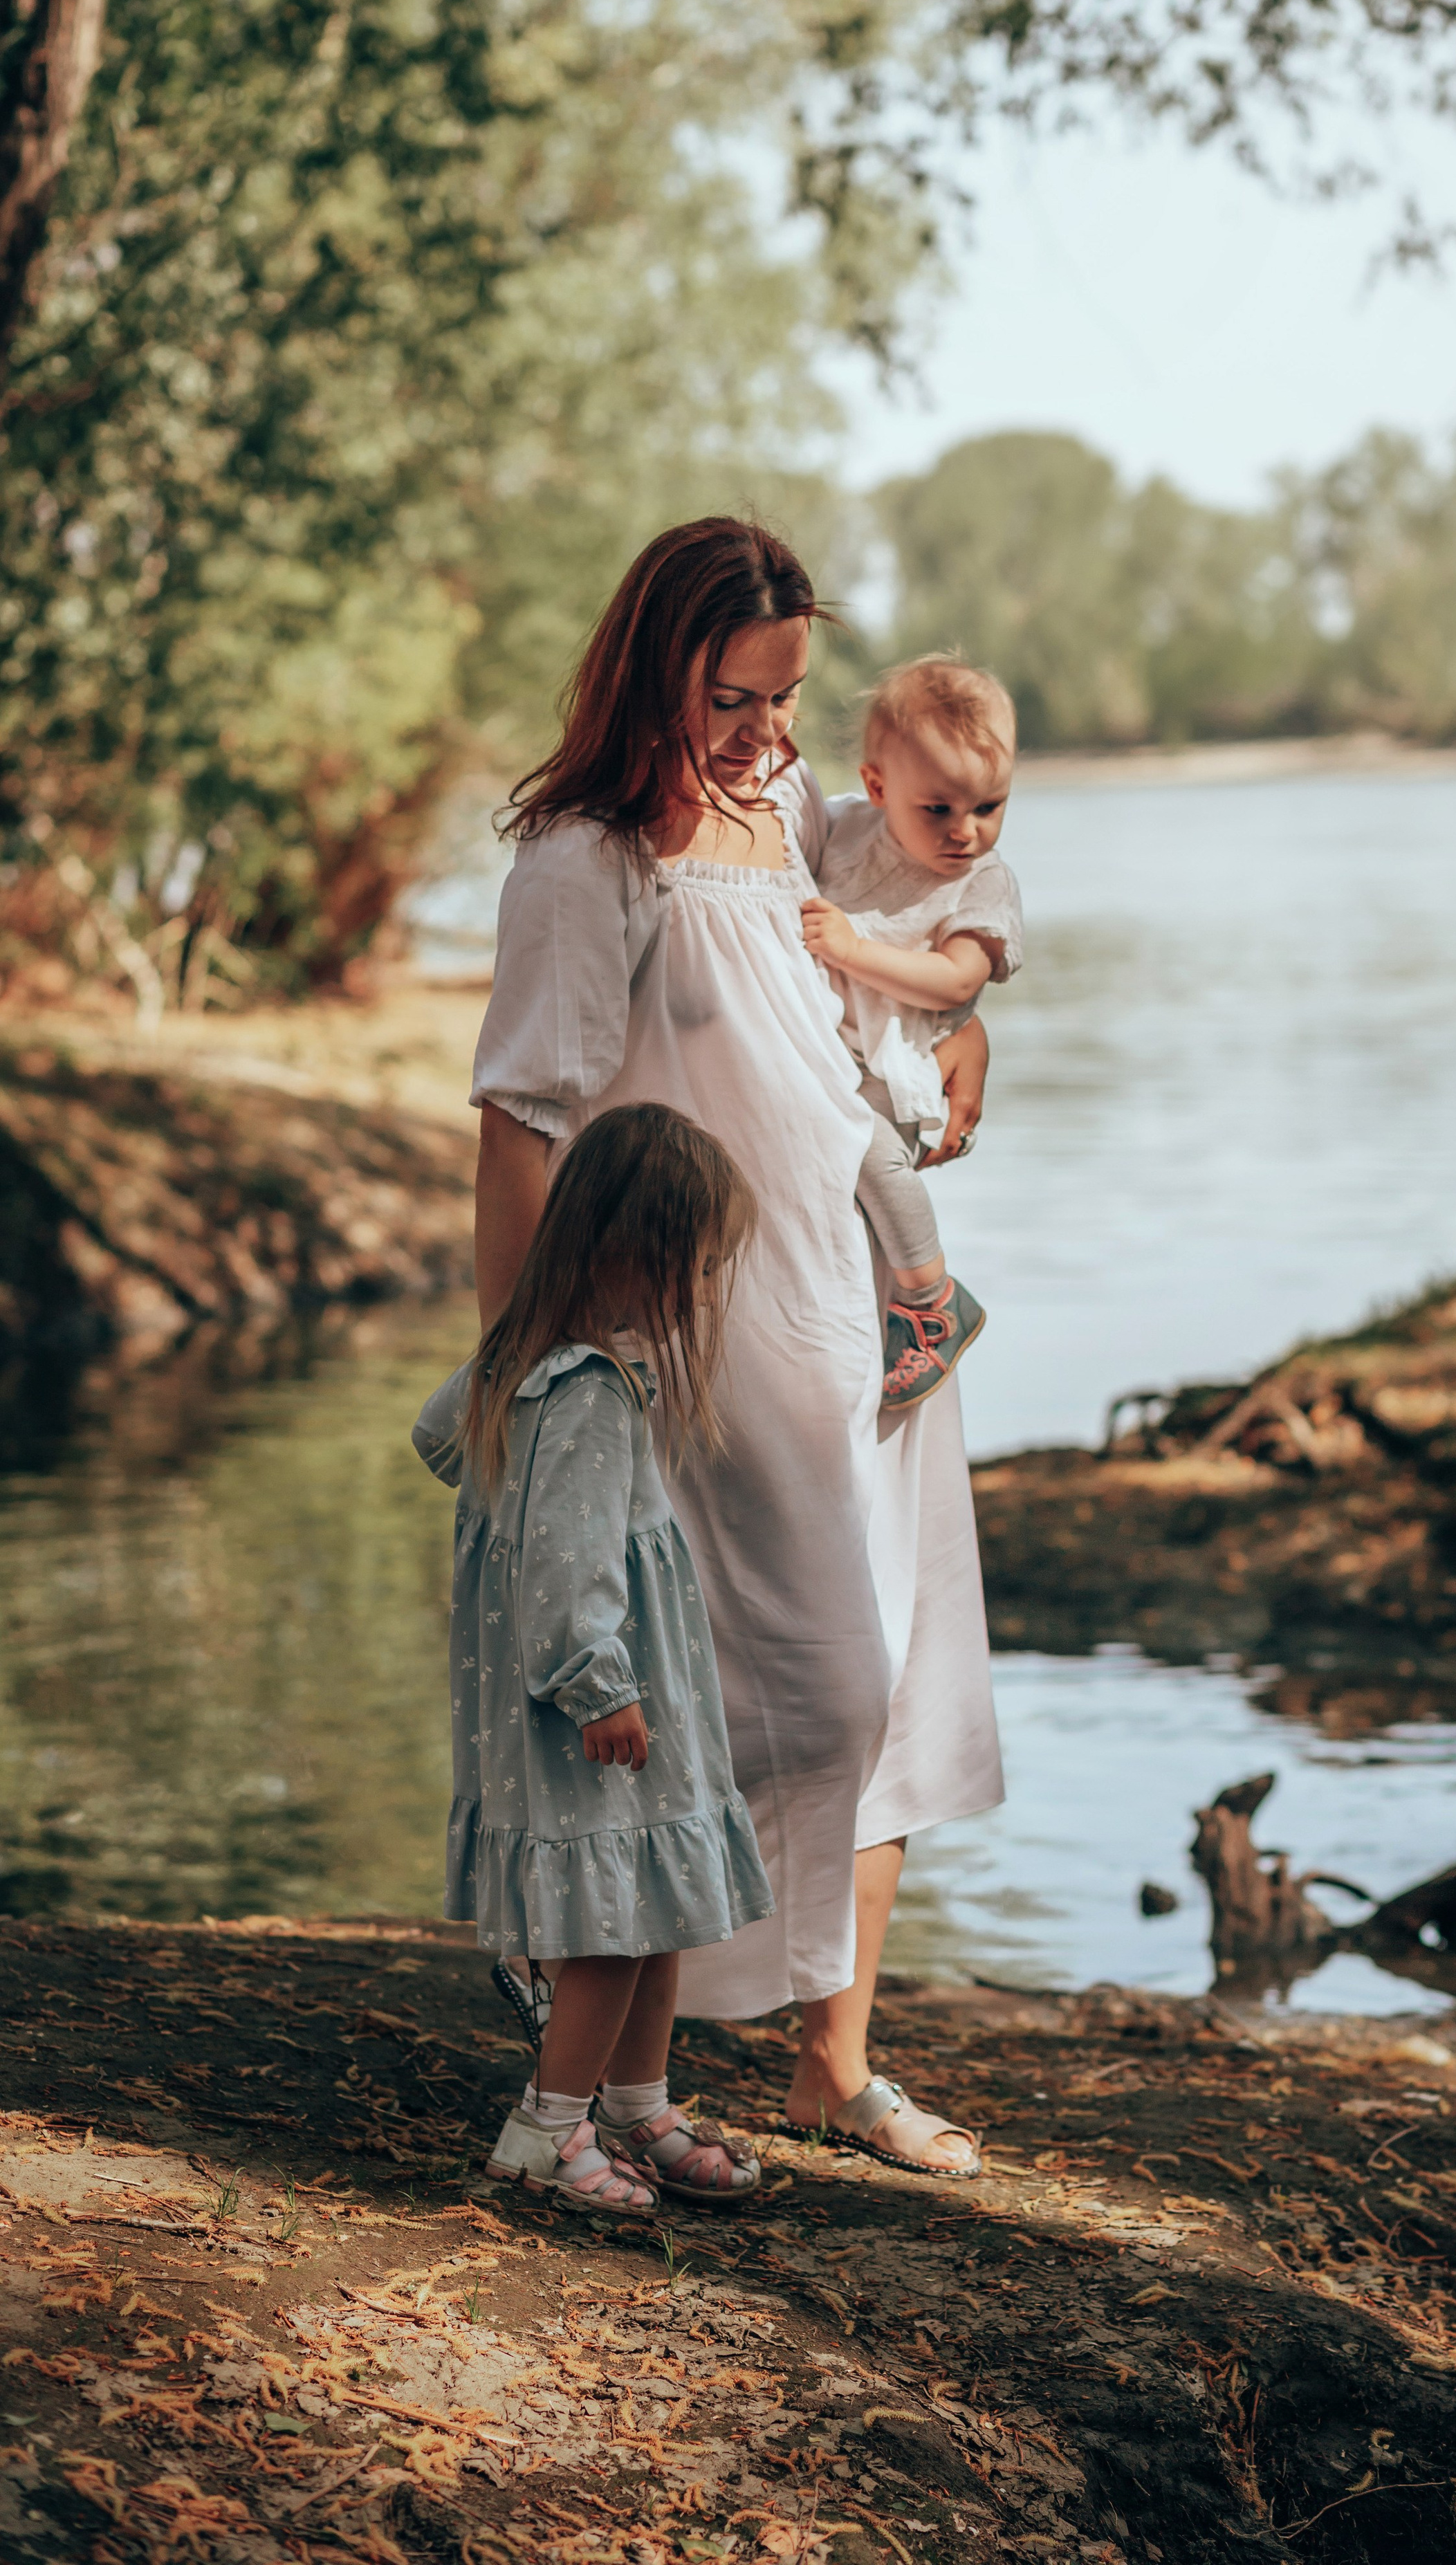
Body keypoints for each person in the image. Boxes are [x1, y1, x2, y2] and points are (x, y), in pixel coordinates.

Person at [470, 517, 1002, 2176]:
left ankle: (827, 2064)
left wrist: (967, 1027)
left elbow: (880, 975)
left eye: (783, 697)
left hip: (860, 1301)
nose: (766, 735)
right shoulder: (582, 862)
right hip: (705, 1334)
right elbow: (521, 1124)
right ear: (652, 672)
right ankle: (603, 2060)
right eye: (731, 699)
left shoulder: (786, 808)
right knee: (783, 1694)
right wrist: (524, 1383)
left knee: (893, 1681)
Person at [412, 1103, 775, 2216]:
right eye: (698, 1267)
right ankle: (545, 2131)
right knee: (614, 1930)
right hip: (593, 1708)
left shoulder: (526, 1364)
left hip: (606, 1698)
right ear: (636, 1255)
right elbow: (570, 1567)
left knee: (654, 1905)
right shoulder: (585, 1392)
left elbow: (434, 1435)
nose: (704, 1293)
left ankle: (638, 2106)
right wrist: (597, 1687)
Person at [800, 655, 1022, 1411]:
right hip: (830, 1049)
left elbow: (958, 980)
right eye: (938, 810)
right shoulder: (843, 829)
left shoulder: (981, 882)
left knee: (863, 1144)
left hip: (898, 1064)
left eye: (989, 806)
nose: (966, 831)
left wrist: (852, 950)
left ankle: (932, 1301)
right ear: (877, 787)